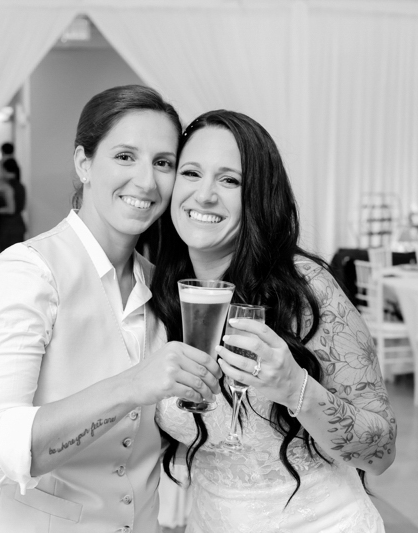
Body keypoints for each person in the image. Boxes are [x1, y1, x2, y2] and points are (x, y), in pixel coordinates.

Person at [0, 85, 223, 533]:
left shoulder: (163, 287)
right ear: (84, 163)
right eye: (125, 156)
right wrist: (129, 386)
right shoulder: (27, 273)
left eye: (163, 163)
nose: (146, 181)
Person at [152, 110, 396, 532]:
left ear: (259, 196)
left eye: (230, 180)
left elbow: (382, 452)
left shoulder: (305, 288)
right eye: (191, 173)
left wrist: (294, 387)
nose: (204, 195)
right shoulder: (161, 292)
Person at [0, 158, 27, 250]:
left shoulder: (7, 187)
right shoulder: (20, 185)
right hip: (17, 224)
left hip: (7, 227)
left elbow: (11, 209)